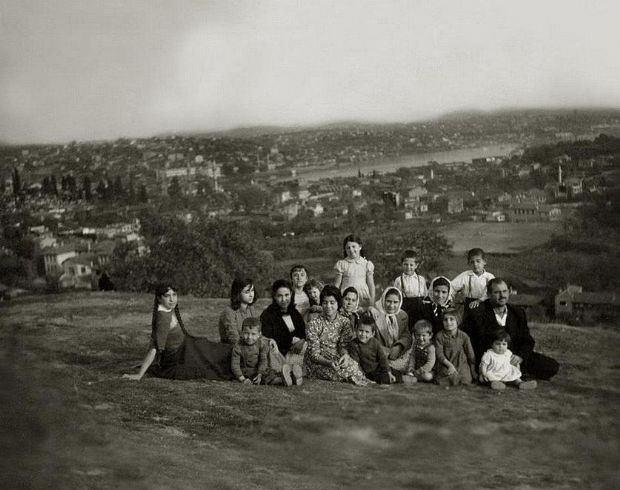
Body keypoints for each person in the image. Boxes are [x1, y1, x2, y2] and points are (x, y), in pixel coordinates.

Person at [122, 284, 232, 381]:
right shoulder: (163, 319)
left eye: (174, 295)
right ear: (159, 299)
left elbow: (154, 338)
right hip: (180, 356)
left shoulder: (164, 309)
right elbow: (154, 347)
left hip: (187, 346)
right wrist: (139, 374)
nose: (172, 299)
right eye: (167, 296)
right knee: (215, 362)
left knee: (214, 349)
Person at [463, 278, 559, 381]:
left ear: (509, 292)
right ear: (489, 294)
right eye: (497, 292)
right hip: (492, 358)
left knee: (551, 366)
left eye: (504, 291)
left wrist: (520, 356)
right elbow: (469, 340)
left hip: (514, 357)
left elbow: (527, 340)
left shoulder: (518, 312)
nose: (502, 296)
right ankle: (511, 375)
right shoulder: (478, 313)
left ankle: (513, 373)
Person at [304, 285, 369, 385]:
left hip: (335, 357)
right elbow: (314, 354)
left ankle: (353, 376)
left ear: (338, 303)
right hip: (318, 360)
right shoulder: (313, 324)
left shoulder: (344, 322)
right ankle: (349, 378)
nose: (328, 306)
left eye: (332, 302)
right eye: (325, 302)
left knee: (354, 367)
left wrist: (345, 356)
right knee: (339, 372)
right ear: (321, 304)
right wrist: (329, 363)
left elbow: (343, 345)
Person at [260, 279, 306, 384]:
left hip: (293, 351)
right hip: (278, 351)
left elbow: (302, 331)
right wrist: (290, 340)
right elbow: (269, 335)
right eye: (279, 296)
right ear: (274, 297)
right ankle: (288, 373)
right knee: (269, 345)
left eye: (287, 295)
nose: (284, 299)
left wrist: (299, 340)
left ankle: (290, 372)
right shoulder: (268, 314)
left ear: (291, 294)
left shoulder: (294, 313)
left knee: (304, 345)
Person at [369, 287, 412, 379]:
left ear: (399, 302)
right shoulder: (375, 314)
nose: (391, 305)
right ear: (383, 300)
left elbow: (406, 335)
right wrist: (385, 351)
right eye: (388, 301)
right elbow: (369, 338)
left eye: (395, 302)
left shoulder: (402, 315)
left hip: (397, 353)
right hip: (380, 352)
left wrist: (399, 346)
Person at [231, 318, 285, 385]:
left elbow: (263, 360)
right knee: (266, 378)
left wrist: (260, 374)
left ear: (259, 334)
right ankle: (278, 380)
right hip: (245, 372)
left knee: (270, 371)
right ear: (242, 333)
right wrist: (242, 379)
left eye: (253, 334)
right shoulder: (238, 346)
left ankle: (288, 376)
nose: (249, 337)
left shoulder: (261, 344)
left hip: (258, 370)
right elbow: (235, 365)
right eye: (246, 333)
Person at [434, 308, 476, 386]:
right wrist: (450, 365)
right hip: (446, 363)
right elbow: (439, 354)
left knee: (466, 379)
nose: (448, 322)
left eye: (451, 319)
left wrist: (473, 370)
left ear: (457, 321)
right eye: (445, 320)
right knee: (444, 379)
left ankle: (460, 378)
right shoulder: (439, 336)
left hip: (461, 364)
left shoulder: (463, 336)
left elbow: (470, 354)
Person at [347, 312, 392, 384]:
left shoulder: (375, 342)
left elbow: (382, 358)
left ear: (372, 334)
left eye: (367, 332)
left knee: (391, 375)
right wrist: (362, 376)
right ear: (356, 330)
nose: (363, 334)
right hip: (365, 372)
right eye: (361, 331)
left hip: (377, 369)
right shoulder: (354, 344)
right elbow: (356, 363)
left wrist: (388, 372)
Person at [334, 234, 375, 307]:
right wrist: (334, 299)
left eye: (353, 246)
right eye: (348, 248)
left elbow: (371, 285)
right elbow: (337, 285)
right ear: (345, 250)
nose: (351, 250)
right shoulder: (342, 264)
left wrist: (372, 302)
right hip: (347, 298)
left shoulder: (366, 264)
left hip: (363, 298)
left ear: (360, 247)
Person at [393, 249, 427, 328]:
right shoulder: (398, 280)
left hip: (419, 309)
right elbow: (395, 296)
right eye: (405, 264)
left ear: (416, 265)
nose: (408, 267)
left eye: (411, 265)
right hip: (405, 309)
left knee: (419, 328)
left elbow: (425, 295)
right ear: (402, 264)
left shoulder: (421, 279)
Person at [218, 277, 258, 345]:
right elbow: (234, 338)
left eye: (252, 290)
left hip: (250, 345)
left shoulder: (251, 308)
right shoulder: (229, 312)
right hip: (233, 349)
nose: (251, 295)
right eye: (247, 292)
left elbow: (256, 331)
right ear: (238, 293)